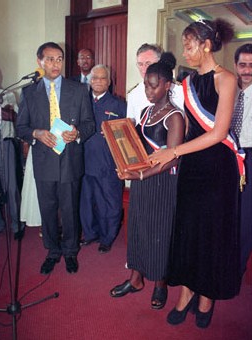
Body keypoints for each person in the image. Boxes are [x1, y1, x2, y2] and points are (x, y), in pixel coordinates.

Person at [149, 18, 242, 328]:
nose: (185, 52)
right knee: (189, 231)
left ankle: (207, 296)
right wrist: (161, 150)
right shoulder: (186, 83)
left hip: (218, 169)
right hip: (192, 167)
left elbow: (218, 133)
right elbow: (188, 127)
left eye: (189, 47)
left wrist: (173, 152)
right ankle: (187, 292)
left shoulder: (226, 78)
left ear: (205, 46)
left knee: (211, 234)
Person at [110, 53, 184, 309]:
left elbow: (172, 159)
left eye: (154, 85)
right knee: (138, 228)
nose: (149, 90)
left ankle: (160, 284)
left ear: (167, 85)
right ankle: (136, 277)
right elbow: (137, 147)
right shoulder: (145, 111)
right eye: (146, 85)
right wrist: (117, 135)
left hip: (163, 184)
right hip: (142, 181)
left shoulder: (175, 116)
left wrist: (138, 174)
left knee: (160, 233)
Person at [16, 42, 95, 275]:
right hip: (43, 160)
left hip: (70, 158)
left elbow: (90, 124)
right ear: (39, 62)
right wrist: (36, 133)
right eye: (49, 59)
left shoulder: (79, 90)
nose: (55, 64)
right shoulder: (29, 93)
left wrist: (78, 132)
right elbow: (21, 127)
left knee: (70, 209)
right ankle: (52, 251)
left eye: (59, 59)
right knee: (48, 209)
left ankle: (70, 251)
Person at [80, 64, 126, 254]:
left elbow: (127, 135)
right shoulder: (81, 102)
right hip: (83, 162)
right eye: (94, 78)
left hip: (108, 163)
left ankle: (107, 238)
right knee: (86, 201)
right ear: (90, 81)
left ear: (109, 81)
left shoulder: (119, 105)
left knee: (110, 203)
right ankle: (90, 234)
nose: (98, 81)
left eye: (102, 78)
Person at [127, 43, 184, 126]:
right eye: (140, 64)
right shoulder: (134, 94)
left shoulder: (179, 91)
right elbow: (131, 124)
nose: (143, 69)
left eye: (148, 63)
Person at [232, 43, 252, 275]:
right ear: (236, 66)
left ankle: (236, 271)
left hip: (250, 157)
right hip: (229, 155)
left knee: (246, 217)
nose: (247, 70)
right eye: (243, 65)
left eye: (251, 66)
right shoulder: (229, 90)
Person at [0, 88, 25, 240]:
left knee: (11, 187)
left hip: (4, 144)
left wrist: (2, 111)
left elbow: (14, 116)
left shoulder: (7, 94)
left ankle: (17, 225)